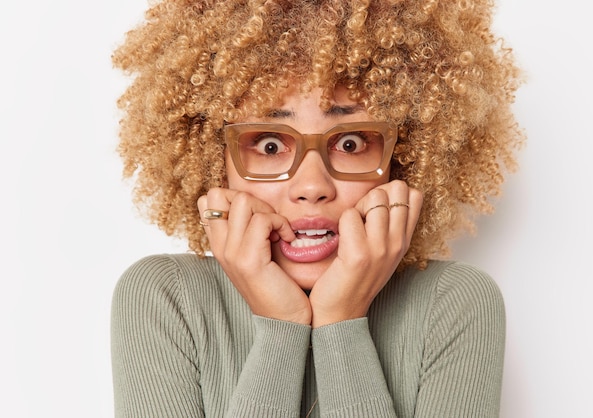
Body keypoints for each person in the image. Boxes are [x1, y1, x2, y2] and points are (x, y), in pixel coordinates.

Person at [110, 0, 524, 416]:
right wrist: (281, 327)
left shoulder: (452, 303)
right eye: (269, 145)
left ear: (404, 159)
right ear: (216, 163)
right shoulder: (164, 298)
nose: (311, 187)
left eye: (350, 144)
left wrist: (341, 320)